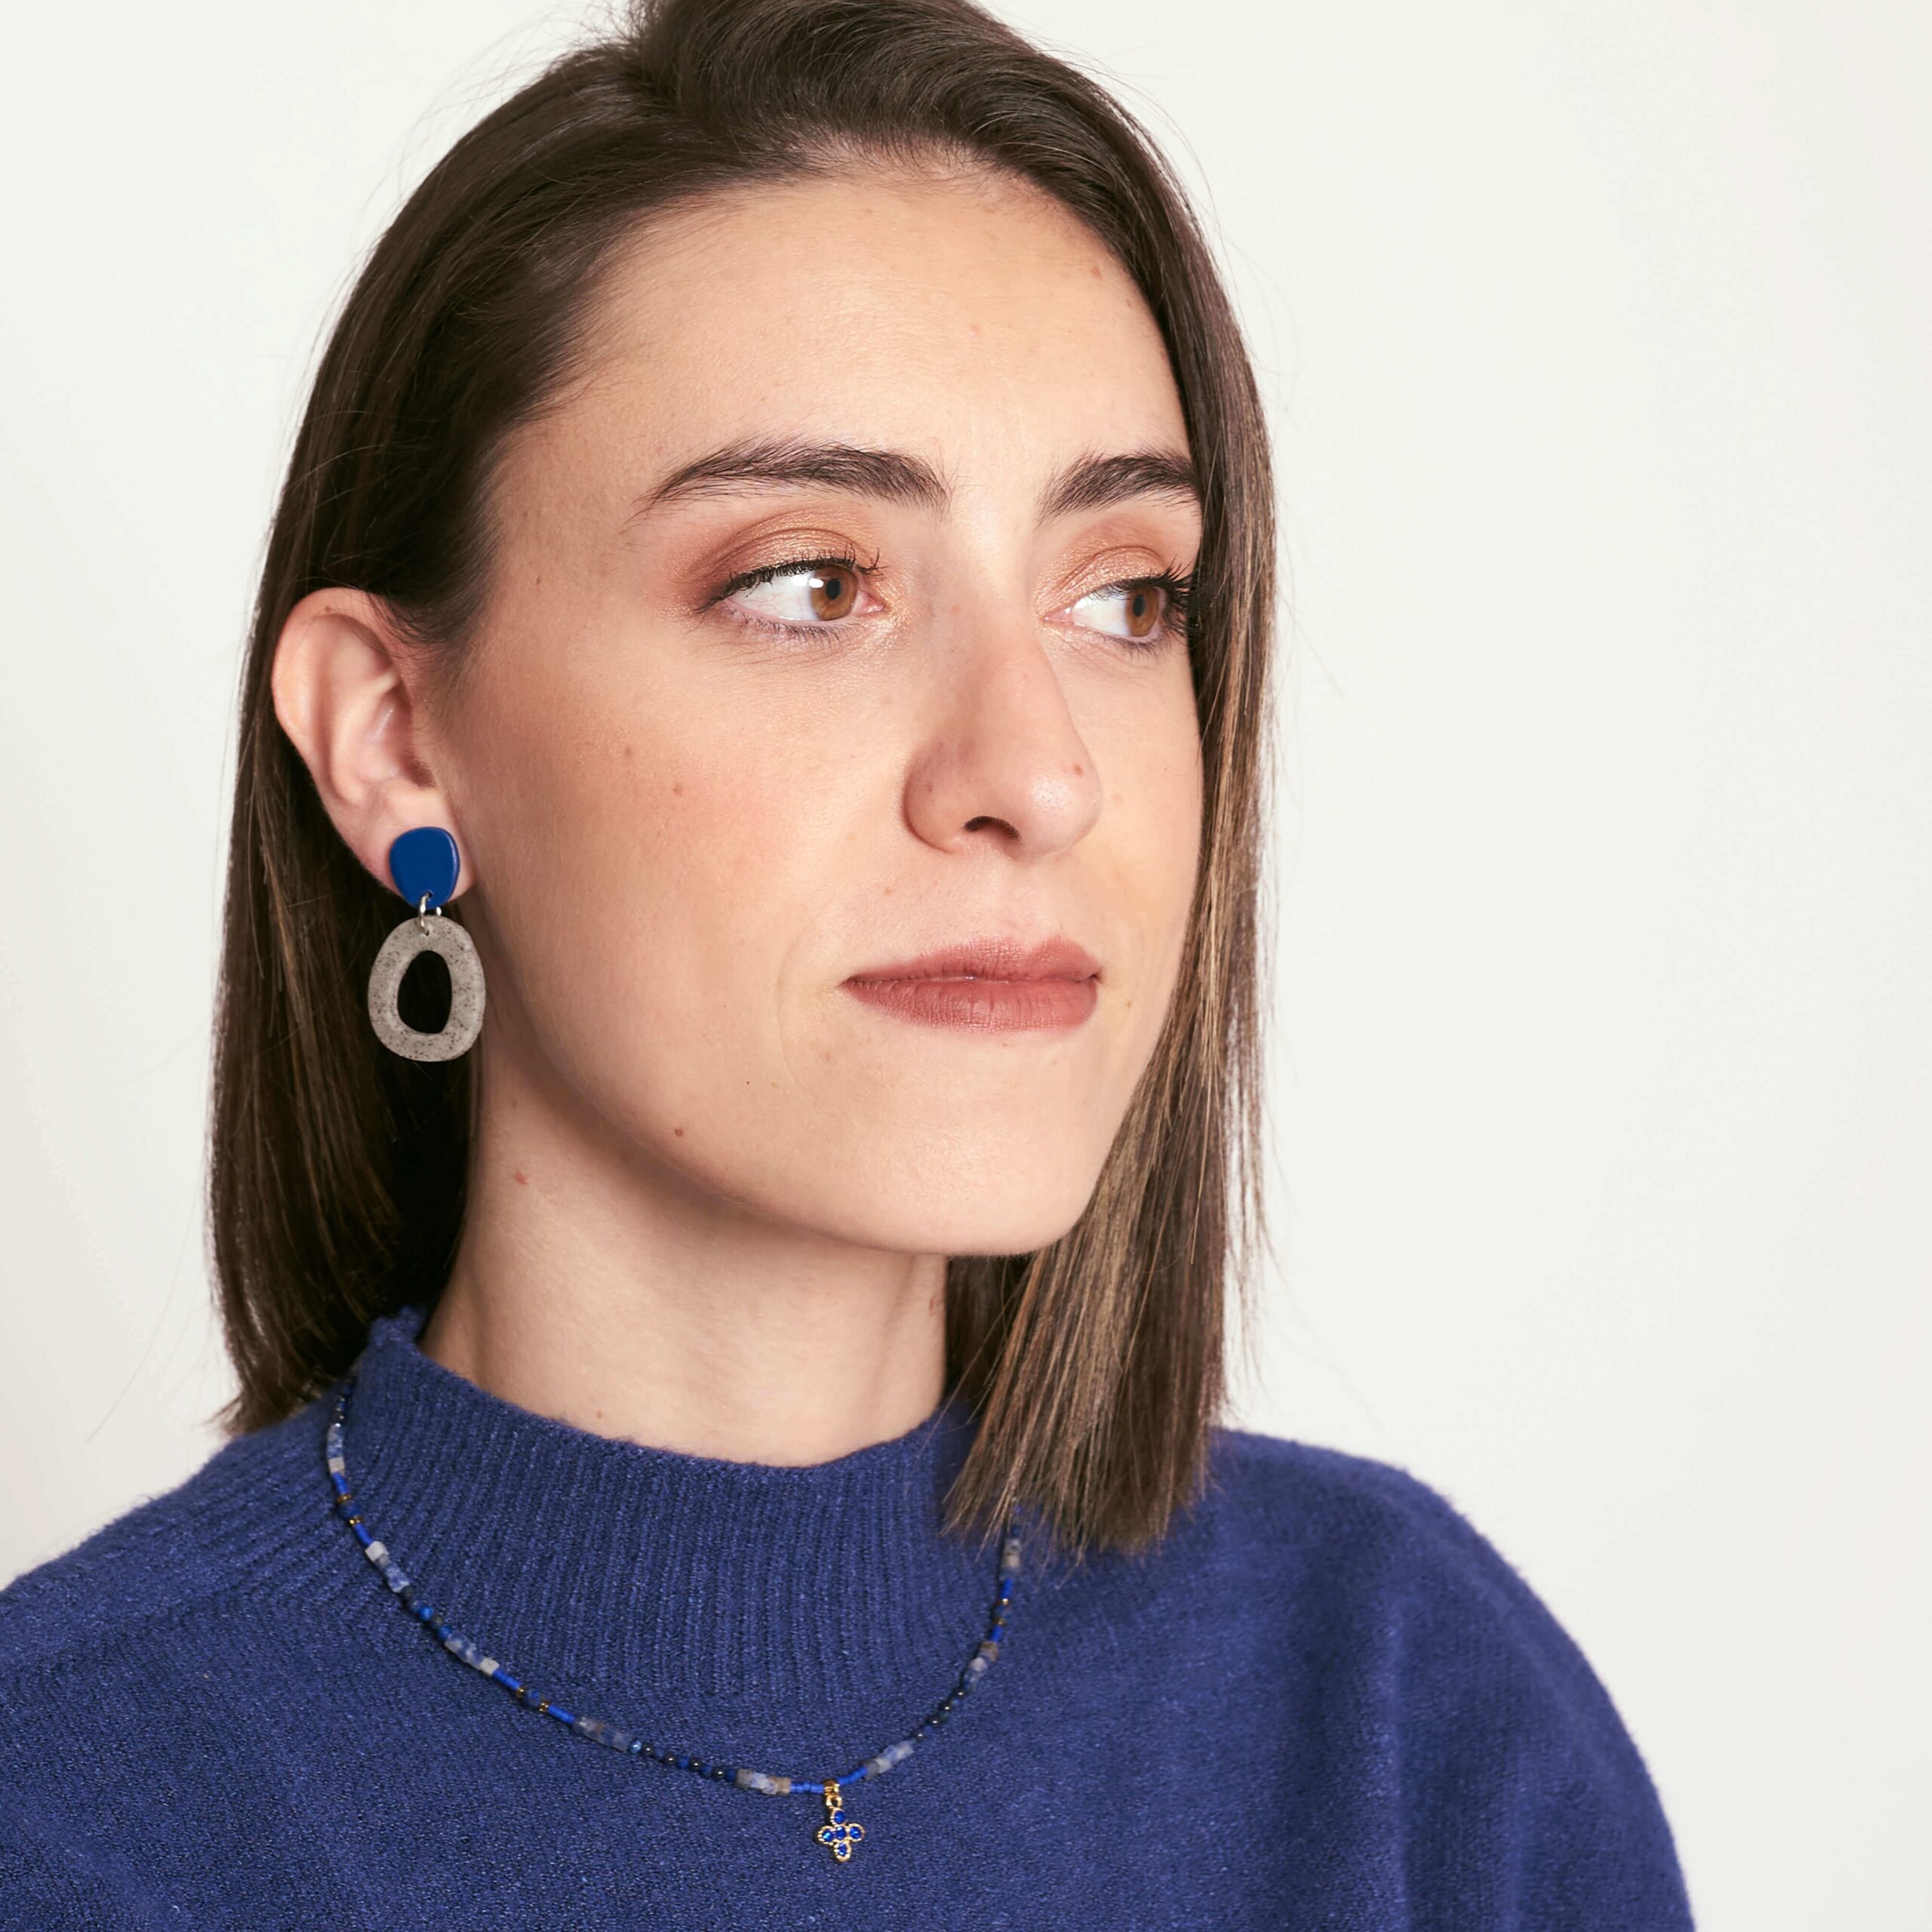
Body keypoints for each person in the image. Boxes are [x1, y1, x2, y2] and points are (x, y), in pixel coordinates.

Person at [0, 0, 1695, 1922]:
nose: (1037, 772)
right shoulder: (67, 1819)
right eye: (811, 583)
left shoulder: (1401, 1715)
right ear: (394, 739)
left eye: (1123, 595)